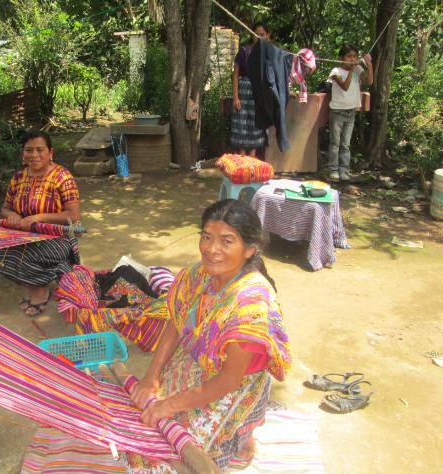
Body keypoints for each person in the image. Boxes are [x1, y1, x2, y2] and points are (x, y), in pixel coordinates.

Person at [127, 199, 291, 471]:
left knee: (172, 457)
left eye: (227, 241)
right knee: (142, 421)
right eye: (206, 237)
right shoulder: (197, 275)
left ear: (249, 249)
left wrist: (170, 405)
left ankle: (242, 438)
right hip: (194, 363)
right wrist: (151, 377)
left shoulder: (252, 305)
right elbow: (175, 322)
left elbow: (228, 379)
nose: (211, 249)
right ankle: (242, 438)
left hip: (232, 383)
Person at [0, 130, 81, 316]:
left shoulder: (62, 177)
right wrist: (12, 215)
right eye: (29, 150)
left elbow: (73, 216)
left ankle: (40, 291)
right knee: (0, 254)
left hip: (56, 237)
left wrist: (39, 217)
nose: (34, 155)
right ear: (23, 154)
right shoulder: (18, 178)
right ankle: (37, 284)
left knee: (24, 257)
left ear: (51, 152)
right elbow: (5, 208)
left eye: (40, 150)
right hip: (24, 235)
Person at [327, 45, 374, 182]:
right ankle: (333, 170)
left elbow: (369, 81)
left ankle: (344, 170)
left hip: (351, 112)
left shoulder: (358, 69)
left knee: (345, 144)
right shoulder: (335, 71)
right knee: (335, 143)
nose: (352, 59)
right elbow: (345, 87)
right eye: (349, 56)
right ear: (341, 58)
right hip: (337, 112)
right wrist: (352, 70)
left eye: (354, 56)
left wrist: (369, 64)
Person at [231, 23, 270, 157]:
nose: (258, 37)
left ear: (267, 36)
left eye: (262, 35)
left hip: (259, 92)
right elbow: (235, 74)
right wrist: (235, 97)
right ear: (251, 35)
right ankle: (242, 158)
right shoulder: (244, 51)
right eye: (256, 34)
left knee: (255, 124)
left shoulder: (268, 53)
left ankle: (252, 158)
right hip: (243, 92)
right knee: (241, 124)